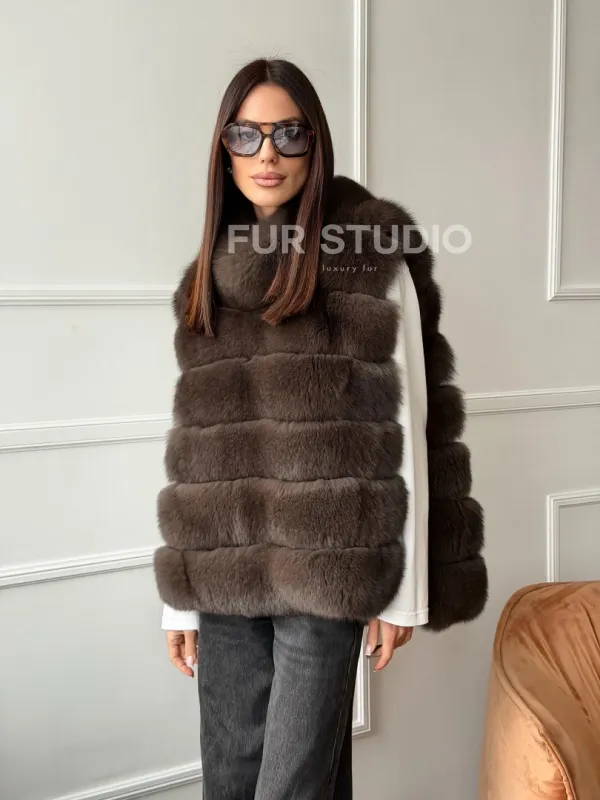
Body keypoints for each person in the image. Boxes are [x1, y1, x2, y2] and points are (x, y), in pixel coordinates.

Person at [153, 57, 488, 800]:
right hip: (225, 576)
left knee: (292, 785)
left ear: (316, 143)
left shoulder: (367, 258)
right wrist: (181, 598)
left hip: (328, 575)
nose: (267, 152)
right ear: (224, 150)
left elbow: (410, 431)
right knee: (232, 779)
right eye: (246, 134)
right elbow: (193, 449)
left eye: (288, 133)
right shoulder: (207, 278)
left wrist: (403, 593)